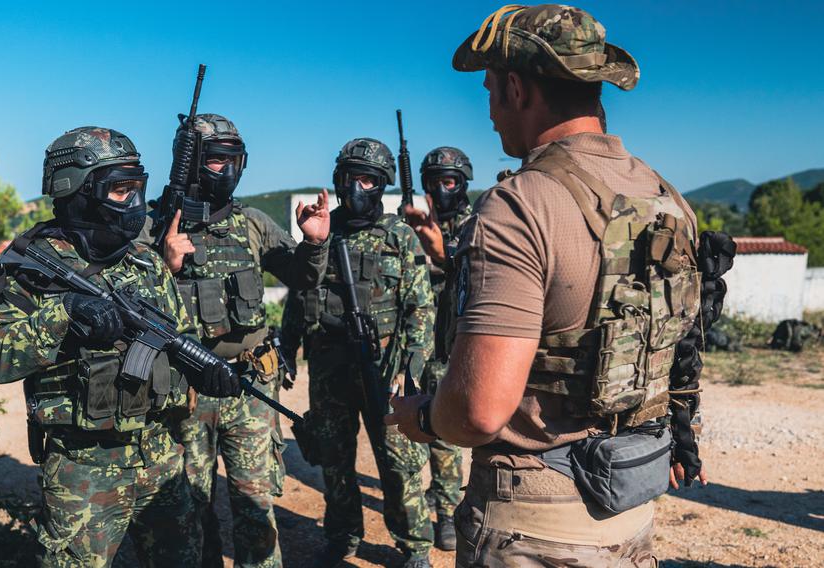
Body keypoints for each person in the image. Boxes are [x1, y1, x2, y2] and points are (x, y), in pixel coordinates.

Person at [387, 5, 706, 567]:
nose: (488, 112)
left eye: (488, 90)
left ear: (516, 88)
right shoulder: (667, 198)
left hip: (532, 528)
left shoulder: (520, 204)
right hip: (631, 508)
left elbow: (480, 410)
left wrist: (422, 415)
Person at [0, 126, 242, 566]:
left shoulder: (145, 262)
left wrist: (205, 369)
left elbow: (180, 337)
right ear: (78, 191)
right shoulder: (26, 265)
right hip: (83, 466)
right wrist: (65, 316)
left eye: (137, 188)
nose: (135, 204)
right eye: (120, 190)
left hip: (162, 457)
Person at [141, 114, 330, 568]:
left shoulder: (254, 224)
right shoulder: (153, 226)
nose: (225, 170)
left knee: (255, 503)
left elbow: (304, 277)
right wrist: (165, 264)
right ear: (190, 163)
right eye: (214, 160)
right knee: (187, 510)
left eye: (233, 160)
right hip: (183, 393)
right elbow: (130, 305)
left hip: (250, 386)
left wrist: (314, 243)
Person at [280, 138, 435, 567]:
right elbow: (299, 295)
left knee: (398, 463)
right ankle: (343, 536)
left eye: (368, 180)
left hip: (383, 367)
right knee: (334, 461)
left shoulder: (399, 236)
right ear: (338, 179)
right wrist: (288, 348)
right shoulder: (322, 233)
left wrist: (412, 364)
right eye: (352, 178)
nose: (357, 189)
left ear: (382, 185)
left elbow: (419, 306)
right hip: (330, 365)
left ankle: (415, 546)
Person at [404, 146, 475, 551]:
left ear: (462, 183)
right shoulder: (409, 226)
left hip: (452, 344)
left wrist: (440, 250)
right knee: (411, 424)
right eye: (433, 183)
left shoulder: (476, 225)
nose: (441, 190)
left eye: (448, 182)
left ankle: (447, 512)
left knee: (445, 431)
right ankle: (419, 506)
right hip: (414, 343)